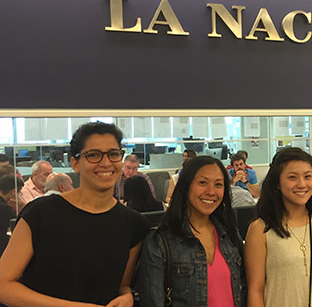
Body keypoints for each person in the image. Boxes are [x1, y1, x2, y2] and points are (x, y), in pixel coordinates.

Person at [0, 121, 150, 306]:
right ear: (75, 163)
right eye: (93, 155)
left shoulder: (134, 224)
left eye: (113, 154)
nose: (106, 163)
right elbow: (3, 285)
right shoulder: (41, 213)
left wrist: (126, 296)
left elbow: (121, 285)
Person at [138, 156, 247, 307]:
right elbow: (152, 302)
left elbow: (243, 288)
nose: (211, 191)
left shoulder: (229, 235)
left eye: (218, 184)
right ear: (186, 186)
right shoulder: (160, 242)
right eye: (202, 182)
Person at [245, 147, 312, 307]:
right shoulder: (260, 229)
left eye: (308, 177)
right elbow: (255, 290)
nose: (302, 184)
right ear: (277, 183)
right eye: (292, 177)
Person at [0, 173, 22, 255]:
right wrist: (23, 205)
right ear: (13, 192)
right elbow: (19, 228)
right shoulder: (6, 209)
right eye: (19, 192)